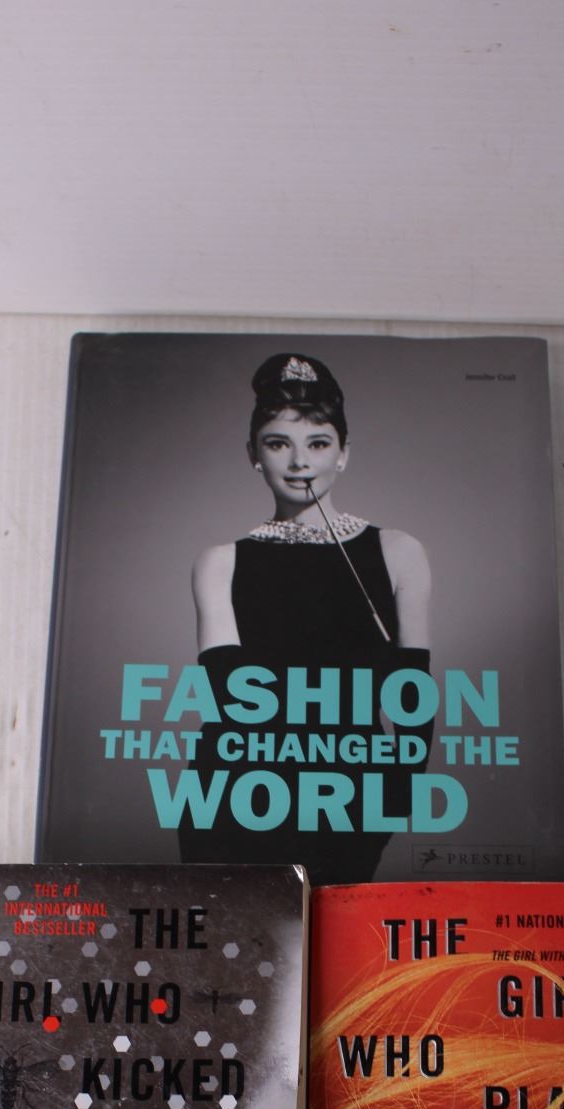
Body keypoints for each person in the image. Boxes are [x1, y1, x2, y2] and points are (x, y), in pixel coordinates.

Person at [180, 352, 433, 883]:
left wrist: (390, 801)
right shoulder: (220, 562)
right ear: (254, 454)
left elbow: (414, 702)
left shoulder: (398, 552)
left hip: (350, 801)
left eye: (318, 443)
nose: (300, 463)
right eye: (279, 443)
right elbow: (231, 703)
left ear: (343, 453)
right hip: (236, 801)